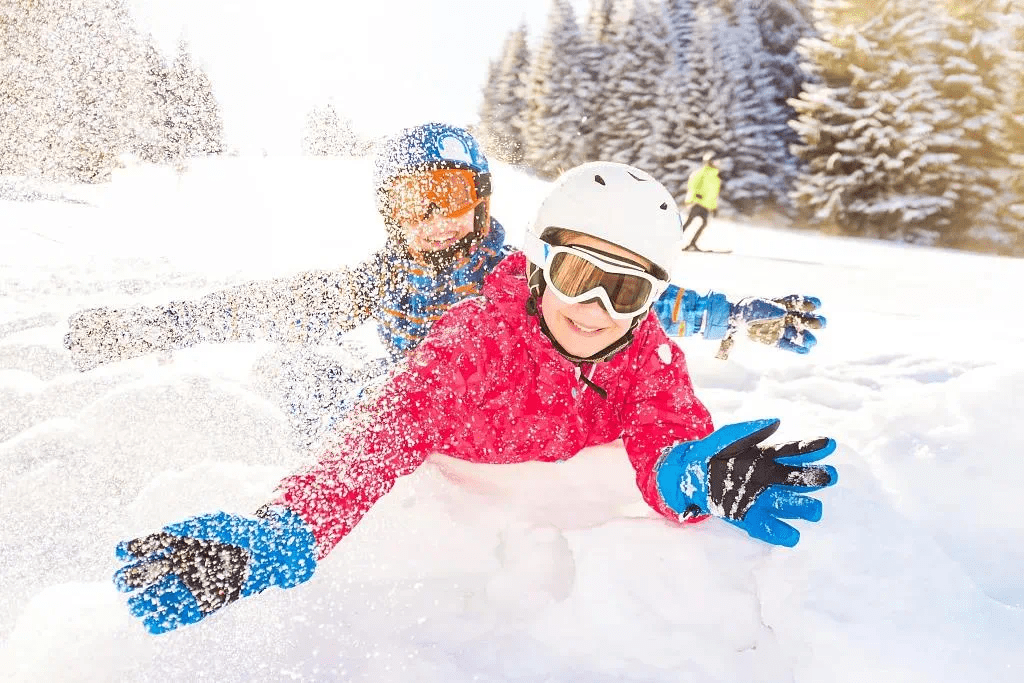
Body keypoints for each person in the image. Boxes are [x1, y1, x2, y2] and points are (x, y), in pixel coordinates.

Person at [112, 162, 838, 635]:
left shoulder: (640, 349)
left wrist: (694, 474)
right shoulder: (464, 327)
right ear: (538, 262)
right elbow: (383, 434)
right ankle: (294, 379)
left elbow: (667, 423)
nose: (590, 306)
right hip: (415, 404)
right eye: (575, 274)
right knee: (325, 396)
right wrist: (288, 530)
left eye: (621, 291)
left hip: (463, 413)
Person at [64, 124, 823, 447]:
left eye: (448, 198)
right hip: (402, 405)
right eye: (409, 205)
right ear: (387, 214)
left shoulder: (518, 273)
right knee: (288, 370)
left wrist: (740, 314)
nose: (430, 221)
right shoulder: (380, 281)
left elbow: (633, 297)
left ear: (482, 202)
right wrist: (148, 327)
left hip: (492, 421)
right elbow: (256, 308)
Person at [681, 151, 722, 252]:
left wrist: (714, 207)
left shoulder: (716, 178)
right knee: (689, 222)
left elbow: (714, 195)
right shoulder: (700, 173)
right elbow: (692, 185)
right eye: (714, 162)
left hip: (706, 205)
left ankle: (692, 244)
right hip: (697, 202)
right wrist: (694, 195)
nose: (716, 164)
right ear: (709, 162)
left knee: (703, 223)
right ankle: (673, 242)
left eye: (718, 162)